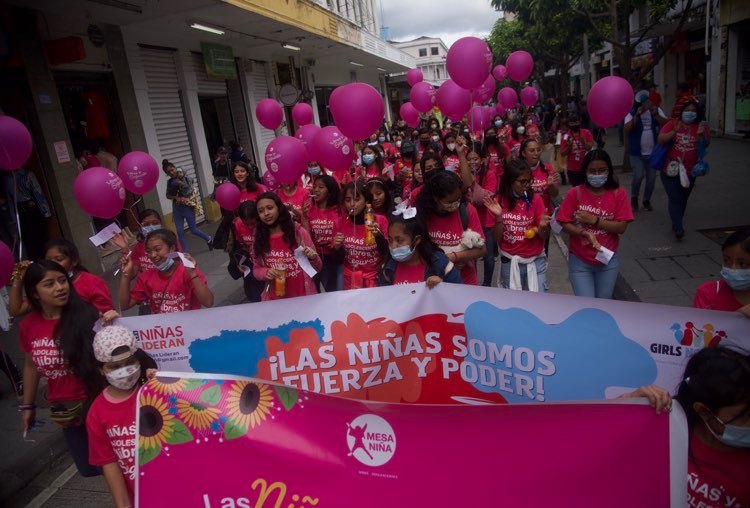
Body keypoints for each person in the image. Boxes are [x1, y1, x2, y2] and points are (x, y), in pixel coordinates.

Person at [16, 260, 118, 476]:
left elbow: (111, 356)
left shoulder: (88, 315)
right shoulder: (28, 325)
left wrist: (112, 329)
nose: (60, 287)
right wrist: (28, 406)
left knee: (113, 465)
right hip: (65, 410)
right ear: (34, 293)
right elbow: (30, 365)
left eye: (62, 281)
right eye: (49, 284)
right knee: (89, 469)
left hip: (98, 403)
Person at [625, 346, 750, 507]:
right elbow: (600, 447)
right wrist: (627, 406)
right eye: (746, 416)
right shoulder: (663, 428)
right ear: (704, 411)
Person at [86, 325, 157, 508]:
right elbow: (109, 464)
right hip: (141, 499)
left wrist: (162, 383)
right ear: (101, 369)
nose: (125, 370)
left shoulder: (153, 391)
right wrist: (123, 504)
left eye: (129, 362)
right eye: (115, 366)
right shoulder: (97, 413)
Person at [556, 150, 634, 299]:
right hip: (579, 261)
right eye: (592, 171)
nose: (597, 175)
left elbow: (621, 227)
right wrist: (583, 232)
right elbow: (564, 223)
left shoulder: (618, 194)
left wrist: (595, 221)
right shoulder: (575, 193)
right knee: (587, 306)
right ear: (585, 171)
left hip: (607, 261)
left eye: (602, 170)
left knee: (603, 305)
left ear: (609, 171)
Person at [484, 159, 550, 292]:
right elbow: (497, 238)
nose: (527, 185)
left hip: (535, 261)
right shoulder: (497, 202)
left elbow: (544, 236)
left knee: (539, 303)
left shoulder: (536, 199)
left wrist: (542, 227)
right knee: (515, 307)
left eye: (529, 180)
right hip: (510, 263)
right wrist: (499, 217)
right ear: (510, 181)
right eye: (522, 181)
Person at [9, 239, 114, 317]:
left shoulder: (92, 283)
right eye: (48, 260)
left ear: (74, 261)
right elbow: (16, 310)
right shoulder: (44, 287)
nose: (59, 289)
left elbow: (107, 316)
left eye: (59, 259)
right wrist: (19, 277)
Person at [118, 229, 213, 314]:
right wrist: (125, 275)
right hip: (165, 330)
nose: (153, 255)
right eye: (149, 251)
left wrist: (192, 273)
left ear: (172, 248)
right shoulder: (146, 277)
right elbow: (124, 305)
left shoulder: (187, 271)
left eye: (157, 249)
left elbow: (208, 302)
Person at [416, 171, 486, 285]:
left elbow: (482, 249)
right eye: (450, 202)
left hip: (465, 281)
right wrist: (442, 261)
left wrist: (455, 257)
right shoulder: (424, 215)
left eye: (458, 199)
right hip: (434, 281)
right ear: (436, 198)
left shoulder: (467, 211)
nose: (455, 204)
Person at [252, 192, 321, 300]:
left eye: (270, 208)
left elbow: (318, 267)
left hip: (304, 297)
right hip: (275, 300)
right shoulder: (259, 239)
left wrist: (313, 258)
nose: (266, 213)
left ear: (279, 208)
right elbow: (256, 270)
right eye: (261, 211)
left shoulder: (299, 234)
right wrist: (265, 272)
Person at [657, 100, 710, 239]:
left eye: (693, 110)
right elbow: (661, 139)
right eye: (687, 110)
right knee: (675, 198)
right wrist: (674, 131)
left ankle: (677, 221)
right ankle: (679, 228)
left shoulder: (700, 126)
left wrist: (700, 135)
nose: (690, 113)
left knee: (683, 198)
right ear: (682, 112)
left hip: (690, 171)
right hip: (670, 169)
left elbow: (706, 145)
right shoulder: (673, 123)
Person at [379, 205, 462, 287]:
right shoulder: (387, 269)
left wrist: (443, 286)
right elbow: (383, 298)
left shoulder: (440, 264)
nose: (393, 246)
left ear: (417, 240)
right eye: (390, 240)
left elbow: (458, 294)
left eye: (399, 240)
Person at [333, 180, 389, 290]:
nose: (352, 204)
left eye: (357, 199)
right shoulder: (339, 223)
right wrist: (337, 248)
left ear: (367, 200)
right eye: (348, 200)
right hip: (348, 280)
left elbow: (386, 254)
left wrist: (379, 237)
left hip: (374, 279)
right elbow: (337, 260)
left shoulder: (380, 220)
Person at [625, 94, 668, 211]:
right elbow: (627, 128)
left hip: (652, 151)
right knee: (638, 175)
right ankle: (634, 198)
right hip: (636, 152)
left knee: (652, 177)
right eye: (644, 102)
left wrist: (655, 114)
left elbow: (666, 123)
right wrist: (637, 115)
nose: (646, 104)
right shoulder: (632, 112)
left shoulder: (656, 110)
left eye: (648, 101)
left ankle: (646, 200)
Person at [694, 228, 750, 317]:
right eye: (727, 260)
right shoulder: (709, 293)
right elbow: (699, 328)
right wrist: (737, 318)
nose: (733, 269)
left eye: (743, 264)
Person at [301, 175, 342, 293]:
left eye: (321, 187)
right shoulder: (310, 209)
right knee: (315, 290)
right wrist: (304, 217)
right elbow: (306, 236)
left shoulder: (338, 209)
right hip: (315, 256)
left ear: (329, 191)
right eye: (314, 187)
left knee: (332, 290)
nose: (316, 190)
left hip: (333, 257)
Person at [163, 160, 212, 252]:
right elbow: (167, 195)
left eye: (172, 170)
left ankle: (208, 238)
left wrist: (185, 198)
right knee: (180, 231)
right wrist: (175, 197)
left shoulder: (185, 177)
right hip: (177, 209)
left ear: (175, 167)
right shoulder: (170, 182)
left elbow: (193, 191)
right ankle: (186, 253)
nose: (171, 173)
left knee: (193, 229)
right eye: (168, 172)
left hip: (187, 207)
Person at [228, 201, 264, 303]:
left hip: (263, 262)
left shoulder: (264, 224)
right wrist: (240, 262)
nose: (250, 227)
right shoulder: (238, 224)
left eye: (253, 223)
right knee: (253, 294)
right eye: (246, 224)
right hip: (249, 264)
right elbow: (240, 244)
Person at [560, 114, 594, 187]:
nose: (574, 124)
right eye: (572, 123)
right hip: (572, 169)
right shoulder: (566, 136)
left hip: (586, 166)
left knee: (588, 187)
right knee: (576, 188)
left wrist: (584, 143)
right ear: (569, 124)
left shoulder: (586, 132)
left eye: (576, 122)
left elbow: (590, 147)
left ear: (579, 122)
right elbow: (562, 153)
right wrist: (569, 147)